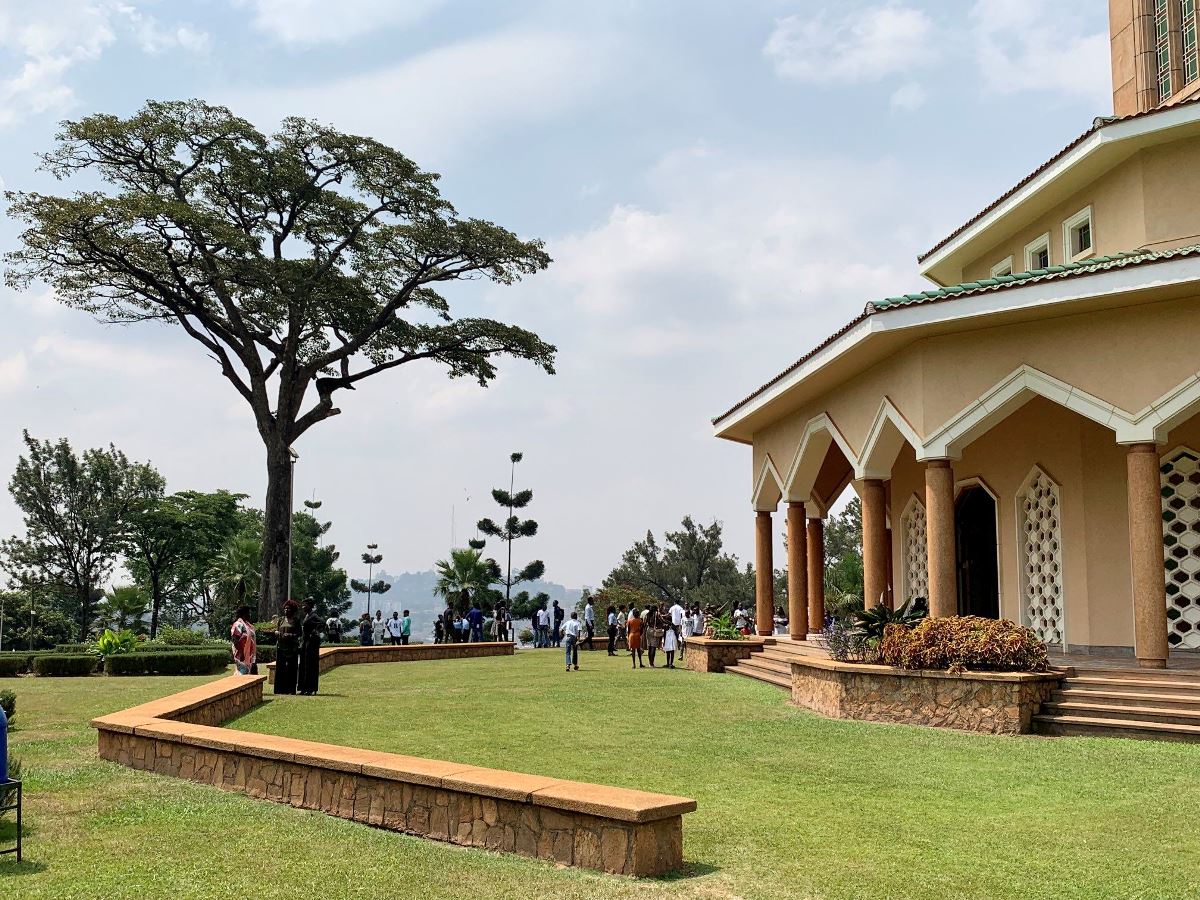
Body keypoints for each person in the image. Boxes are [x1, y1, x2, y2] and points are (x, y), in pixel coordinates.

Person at [274, 599, 302, 695]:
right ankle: (280, 689)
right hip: (281, 647)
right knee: (280, 668)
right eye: (285, 609)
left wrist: (290, 635)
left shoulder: (296, 620)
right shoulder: (281, 620)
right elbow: (277, 630)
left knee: (291, 668)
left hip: (292, 648)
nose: (286, 610)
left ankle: (290, 689)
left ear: (292, 610)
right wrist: (277, 632)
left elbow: (299, 633)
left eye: (288, 609)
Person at [298, 601, 322, 695]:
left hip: (311, 643)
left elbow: (322, 623)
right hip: (305, 642)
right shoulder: (306, 616)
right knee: (303, 665)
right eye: (303, 605)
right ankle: (303, 688)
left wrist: (315, 631)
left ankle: (311, 688)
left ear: (310, 606)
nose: (303, 607)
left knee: (310, 665)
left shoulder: (314, 615)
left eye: (305, 605)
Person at [231, 605, 257, 675]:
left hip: (250, 656)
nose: (250, 615)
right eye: (249, 613)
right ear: (244, 614)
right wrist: (242, 653)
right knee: (242, 674)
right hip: (242, 657)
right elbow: (235, 640)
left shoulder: (248, 625)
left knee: (251, 675)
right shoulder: (238, 625)